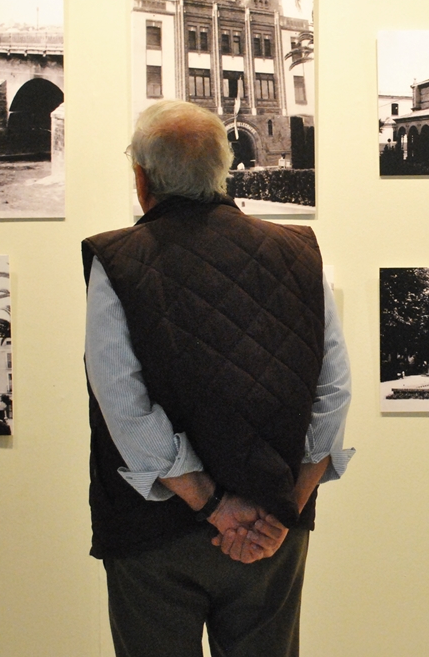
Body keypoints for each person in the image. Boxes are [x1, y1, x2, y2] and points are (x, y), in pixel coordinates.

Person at [83, 100, 353, 657]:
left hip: (152, 532)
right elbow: (332, 392)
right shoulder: (299, 252)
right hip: (271, 532)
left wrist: (212, 505)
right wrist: (282, 509)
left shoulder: (117, 259)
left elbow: (123, 403)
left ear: (141, 178)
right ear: (224, 168)